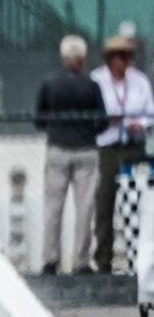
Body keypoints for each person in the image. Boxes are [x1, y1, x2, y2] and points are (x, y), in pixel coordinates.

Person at [34, 32, 103, 272]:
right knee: (84, 208)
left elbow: (39, 119)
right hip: (85, 148)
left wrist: (56, 128)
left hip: (58, 148)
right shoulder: (91, 86)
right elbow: (102, 120)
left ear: (63, 58)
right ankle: (81, 261)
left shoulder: (49, 84)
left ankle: (50, 259)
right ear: (82, 58)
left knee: (54, 207)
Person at [92, 24, 151, 272]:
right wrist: (110, 119)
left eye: (129, 55)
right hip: (108, 146)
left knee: (138, 203)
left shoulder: (140, 81)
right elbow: (94, 112)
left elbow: (150, 111)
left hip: (132, 146)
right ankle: (103, 259)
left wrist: (142, 123)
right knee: (105, 201)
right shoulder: (97, 79)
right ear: (111, 58)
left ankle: (138, 259)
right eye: (121, 55)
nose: (126, 60)